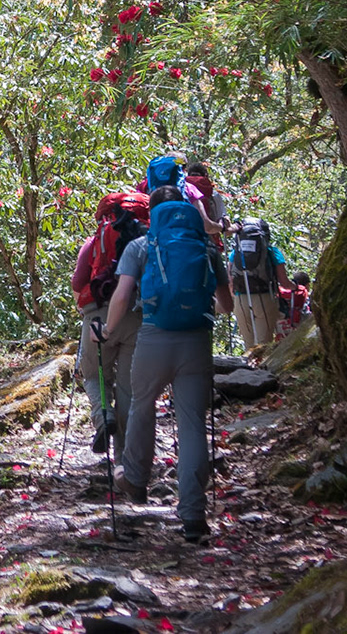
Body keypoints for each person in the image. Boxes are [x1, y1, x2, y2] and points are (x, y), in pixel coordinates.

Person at [102, 185, 233, 543]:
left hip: (153, 336)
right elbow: (228, 305)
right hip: (197, 343)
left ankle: (136, 480)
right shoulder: (207, 248)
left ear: (153, 214)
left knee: (142, 407)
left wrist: (108, 331)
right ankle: (193, 514)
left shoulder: (141, 246)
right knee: (192, 424)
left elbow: (122, 295)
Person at [72, 191, 144, 453]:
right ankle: (124, 460)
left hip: (97, 313)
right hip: (136, 315)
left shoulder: (93, 243)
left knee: (93, 374)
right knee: (127, 389)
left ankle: (103, 417)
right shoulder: (145, 240)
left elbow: (78, 283)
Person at [226, 217, 288, 348]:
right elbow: (284, 282)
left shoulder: (236, 253)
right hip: (265, 298)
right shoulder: (272, 251)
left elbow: (229, 279)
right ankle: (261, 368)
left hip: (240, 299)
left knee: (249, 345)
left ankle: (248, 367)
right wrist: (296, 287)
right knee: (263, 345)